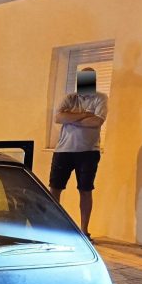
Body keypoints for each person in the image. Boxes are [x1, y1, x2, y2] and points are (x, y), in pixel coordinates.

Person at [49, 67, 107, 240]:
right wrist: (84, 115)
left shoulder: (101, 98)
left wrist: (72, 117)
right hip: (63, 150)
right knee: (55, 188)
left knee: (85, 190)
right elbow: (59, 118)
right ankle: (54, 226)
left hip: (88, 151)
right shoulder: (70, 98)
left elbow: (96, 121)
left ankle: (84, 230)